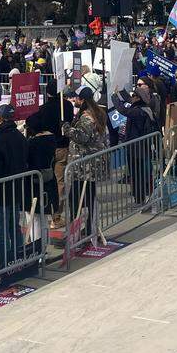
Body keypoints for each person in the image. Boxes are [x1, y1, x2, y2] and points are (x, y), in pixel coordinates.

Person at [0, 104, 31, 279]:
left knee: (2, 232)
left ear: (0, 119)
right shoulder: (19, 137)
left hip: (1, 193)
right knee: (14, 228)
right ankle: (16, 261)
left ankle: (4, 267)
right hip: (15, 190)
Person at [63, 87, 108, 246]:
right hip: (89, 165)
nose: (74, 101)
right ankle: (87, 230)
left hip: (84, 167)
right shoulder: (98, 113)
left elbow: (82, 136)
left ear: (82, 100)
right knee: (88, 199)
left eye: (76, 98)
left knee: (77, 200)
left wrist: (67, 128)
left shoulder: (87, 117)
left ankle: (79, 234)